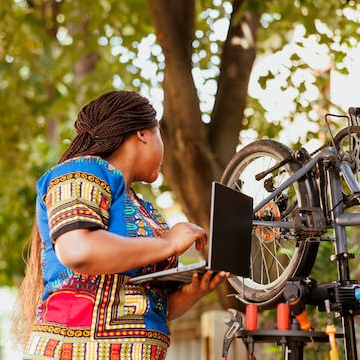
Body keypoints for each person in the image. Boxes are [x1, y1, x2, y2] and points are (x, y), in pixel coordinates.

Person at [14, 90, 229, 360]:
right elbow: (77, 250)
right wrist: (168, 243)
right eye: (160, 133)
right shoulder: (82, 171)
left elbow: (143, 304)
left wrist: (191, 292)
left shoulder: (142, 208)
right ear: (142, 134)